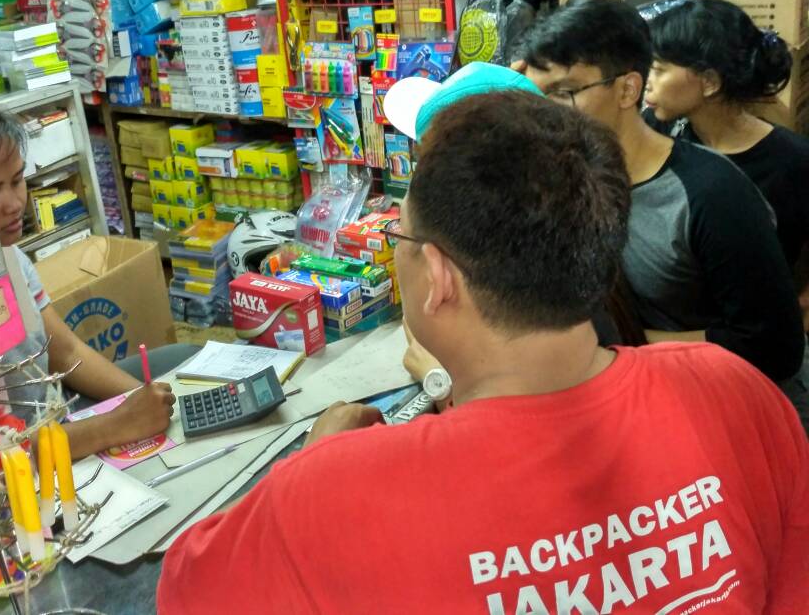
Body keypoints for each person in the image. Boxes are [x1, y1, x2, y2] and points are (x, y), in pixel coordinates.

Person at [158, 84, 809, 612]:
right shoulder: (731, 387)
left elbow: (187, 588)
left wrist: (313, 461)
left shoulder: (327, 492)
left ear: (439, 277)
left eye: (400, 240)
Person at [511, 0, 807, 401]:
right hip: (621, 394)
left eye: (564, 92)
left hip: (716, 403)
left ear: (628, 89)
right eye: (535, 94)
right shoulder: (562, 180)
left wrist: (620, 344)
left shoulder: (711, 194)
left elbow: (774, 346)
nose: (543, 112)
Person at [0, 90, 184, 460]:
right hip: (18, 466)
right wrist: (119, 423)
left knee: (184, 359)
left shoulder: (7, 256)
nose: (15, 204)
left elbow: (66, 352)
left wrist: (143, 403)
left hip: (56, 419)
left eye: (17, 180)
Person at [643, 0, 809, 323]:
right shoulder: (659, 130)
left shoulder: (793, 160)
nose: (647, 80)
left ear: (710, 82)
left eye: (659, 70)